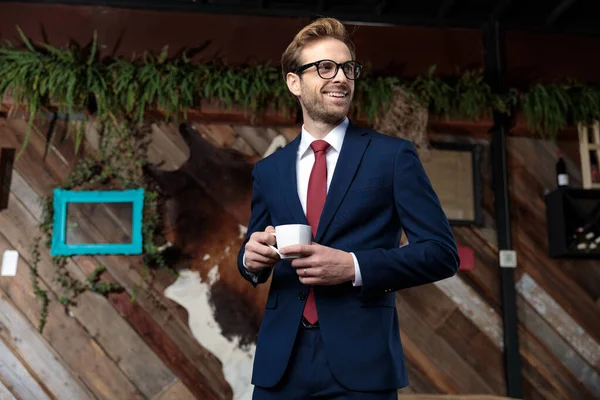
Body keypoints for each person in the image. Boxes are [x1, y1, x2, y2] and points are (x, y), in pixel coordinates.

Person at [237, 17, 459, 399]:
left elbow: (442, 254)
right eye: (324, 67)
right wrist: (250, 259)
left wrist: (353, 267)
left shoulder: (392, 157)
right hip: (280, 365)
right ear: (294, 83)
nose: (340, 78)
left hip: (363, 365)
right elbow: (251, 252)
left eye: (347, 68)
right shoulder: (269, 171)